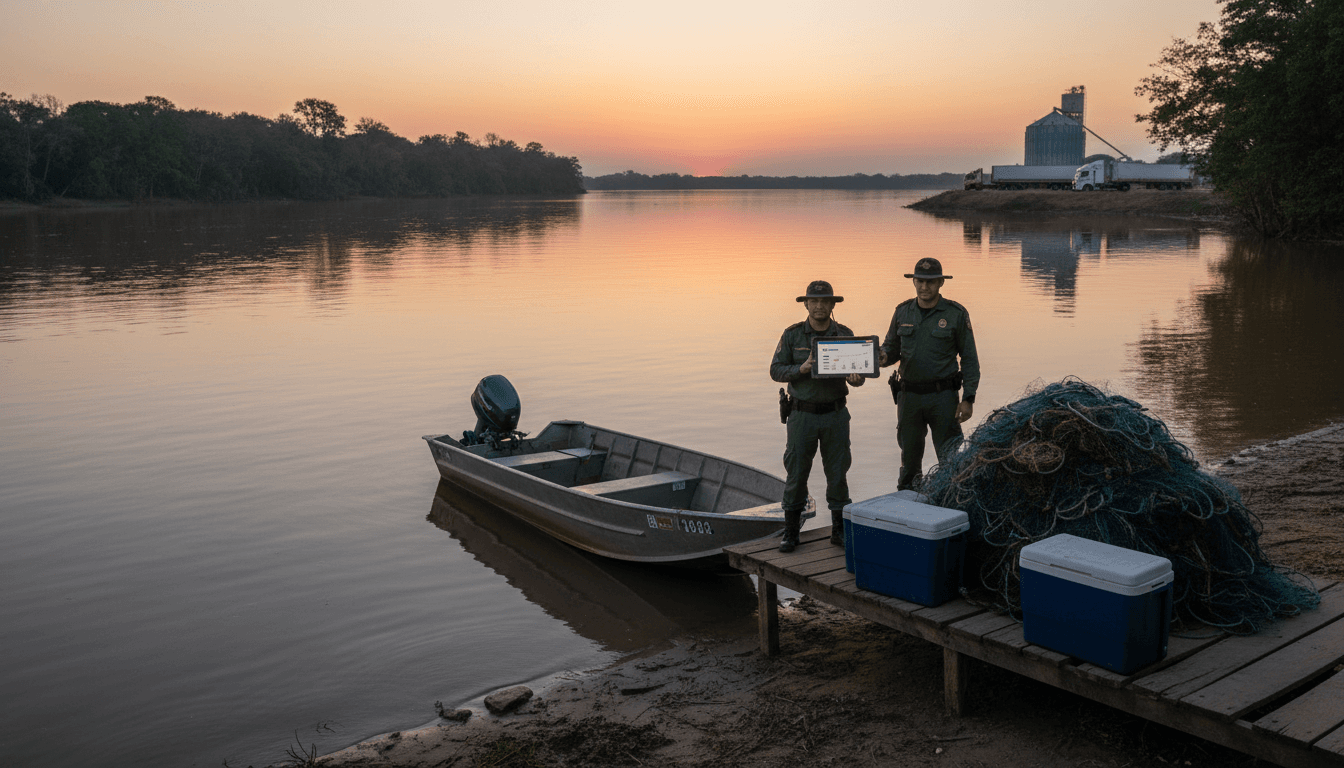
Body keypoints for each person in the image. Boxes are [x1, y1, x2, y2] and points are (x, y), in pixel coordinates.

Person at [769, 280, 866, 552]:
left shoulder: (845, 335)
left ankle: (838, 530)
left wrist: (857, 378)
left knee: (838, 473)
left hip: (835, 414)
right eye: (814, 301)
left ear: (833, 304)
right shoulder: (792, 335)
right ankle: (790, 531)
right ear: (806, 304)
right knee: (797, 472)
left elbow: (858, 378)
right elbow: (775, 370)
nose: (820, 306)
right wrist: (800, 369)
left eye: (825, 301)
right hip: (802, 415)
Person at [879, 258, 980, 490]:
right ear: (913, 282)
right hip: (909, 398)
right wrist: (881, 357)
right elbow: (891, 349)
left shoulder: (955, 313)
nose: (925, 287)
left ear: (941, 283)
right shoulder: (902, 311)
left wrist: (968, 398)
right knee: (909, 460)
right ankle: (908, 508)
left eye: (931, 282)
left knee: (952, 460)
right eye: (920, 281)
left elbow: (970, 359)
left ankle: (954, 506)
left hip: (943, 398)